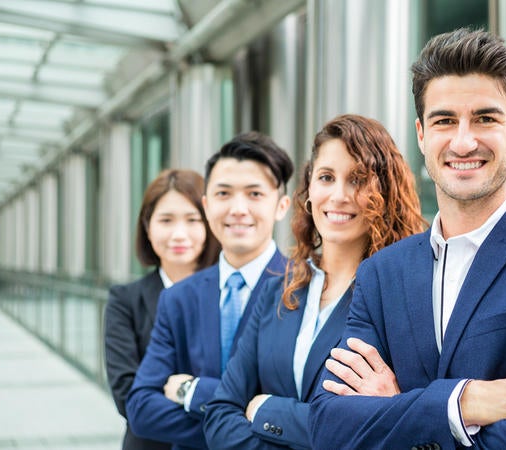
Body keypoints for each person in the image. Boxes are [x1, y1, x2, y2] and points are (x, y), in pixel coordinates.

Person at [309, 28, 506, 450]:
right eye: (444, 121)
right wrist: (463, 402)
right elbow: (331, 425)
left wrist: (397, 408)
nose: (463, 141)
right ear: (421, 135)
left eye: (485, 118)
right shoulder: (381, 273)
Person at [202, 114, 426, 449]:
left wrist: (266, 409)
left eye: (357, 179)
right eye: (326, 177)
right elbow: (220, 413)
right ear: (309, 191)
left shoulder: (401, 298)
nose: (338, 195)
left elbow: (382, 427)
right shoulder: (277, 289)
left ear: (385, 192)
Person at [126, 132, 294, 450]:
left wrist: (192, 391)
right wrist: (244, 422)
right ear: (206, 204)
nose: (238, 208)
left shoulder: (304, 289)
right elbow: (141, 409)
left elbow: (298, 410)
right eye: (224, 194)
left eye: (255, 194)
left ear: (281, 205)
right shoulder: (178, 298)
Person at [105, 169, 221, 450]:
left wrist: (173, 391)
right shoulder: (125, 300)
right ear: (147, 226)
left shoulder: (233, 290)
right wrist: (227, 425)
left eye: (193, 220)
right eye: (166, 220)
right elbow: (128, 398)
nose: (178, 234)